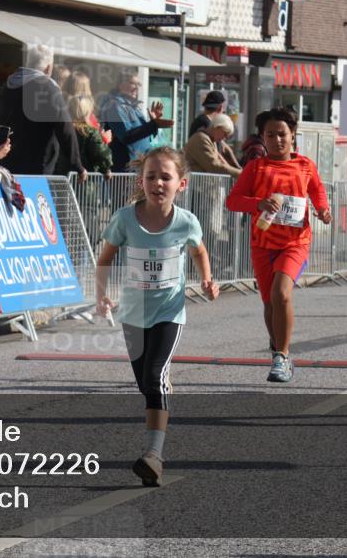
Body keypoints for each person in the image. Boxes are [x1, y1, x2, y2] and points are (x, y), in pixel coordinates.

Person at [95, 146, 218, 487]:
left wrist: (206, 278)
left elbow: (199, 250)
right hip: (133, 313)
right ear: (141, 180)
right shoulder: (125, 218)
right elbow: (105, 258)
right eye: (151, 176)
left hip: (169, 311)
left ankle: (153, 455)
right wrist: (101, 295)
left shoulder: (186, 221)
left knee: (154, 374)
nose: (158, 183)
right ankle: (161, 387)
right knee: (146, 384)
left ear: (182, 184)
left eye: (166, 177)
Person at [226, 107, 331, 383]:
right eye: (270, 135)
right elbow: (233, 201)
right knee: (269, 302)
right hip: (262, 242)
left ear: (293, 135)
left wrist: (323, 209)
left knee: (281, 293)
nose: (277, 140)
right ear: (262, 138)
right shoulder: (255, 167)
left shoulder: (305, 165)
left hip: (295, 242)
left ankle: (282, 357)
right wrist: (258, 203)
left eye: (282, 134)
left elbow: (317, 190)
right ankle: (277, 350)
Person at [0, 44, 86, 179]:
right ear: (48, 67)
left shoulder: (8, 85)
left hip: (7, 161)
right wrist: (77, 165)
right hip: (37, 165)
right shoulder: (48, 88)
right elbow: (65, 128)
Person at [99, 68, 172, 171]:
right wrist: (153, 125)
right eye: (133, 83)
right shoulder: (114, 106)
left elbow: (143, 138)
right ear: (120, 84)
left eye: (139, 85)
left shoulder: (134, 107)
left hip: (138, 167)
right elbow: (126, 137)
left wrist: (153, 121)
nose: (136, 88)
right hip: (124, 170)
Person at [59, 95, 112, 175]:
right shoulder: (90, 131)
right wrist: (106, 169)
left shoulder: (63, 129)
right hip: (86, 178)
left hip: (61, 175)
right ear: (88, 111)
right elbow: (101, 154)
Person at [182, 113, 241, 178]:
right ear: (218, 127)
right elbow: (214, 166)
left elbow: (220, 163)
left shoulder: (210, 140)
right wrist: (240, 173)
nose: (224, 138)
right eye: (224, 134)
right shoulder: (201, 139)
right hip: (194, 185)